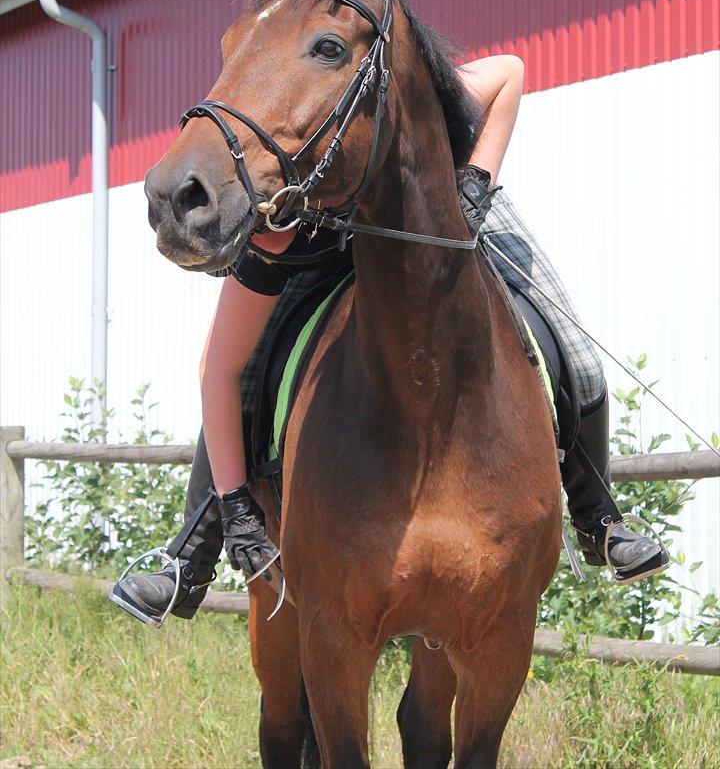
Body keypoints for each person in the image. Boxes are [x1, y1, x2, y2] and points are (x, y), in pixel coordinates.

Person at [110, 54, 667, 625]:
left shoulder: (382, 109)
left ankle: (599, 517)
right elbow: (219, 371)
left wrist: (473, 182)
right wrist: (238, 510)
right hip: (325, 245)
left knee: (575, 351)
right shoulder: (272, 221)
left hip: (441, 214)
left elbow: (510, 71)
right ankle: (189, 559)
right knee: (245, 372)